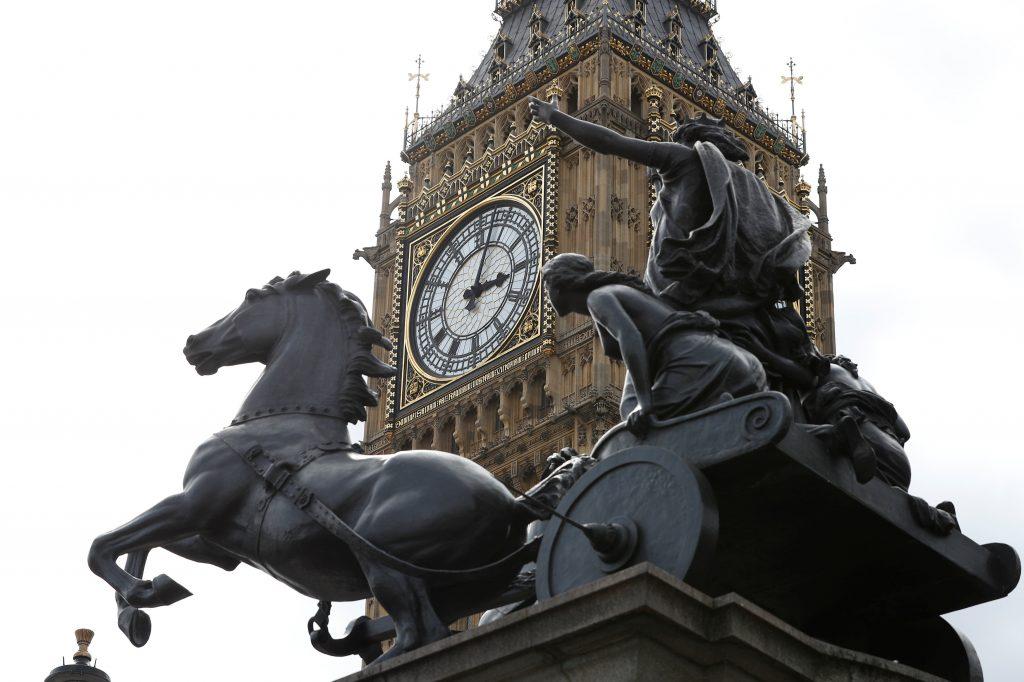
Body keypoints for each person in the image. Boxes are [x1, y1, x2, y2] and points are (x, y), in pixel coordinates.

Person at [528, 96, 829, 400]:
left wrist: (556, 118)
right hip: (727, 295)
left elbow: (610, 142)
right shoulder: (748, 187)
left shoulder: (682, 160)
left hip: (684, 292)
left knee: (633, 399)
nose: (654, 183)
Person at [542, 253, 766, 434]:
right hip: (732, 360)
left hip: (699, 364)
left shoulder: (598, 297)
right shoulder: (611, 296)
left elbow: (630, 337)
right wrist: (634, 402)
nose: (546, 296)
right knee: (628, 414)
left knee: (635, 432)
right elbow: (620, 350)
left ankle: (719, 409)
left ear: (559, 287)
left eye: (546, 288)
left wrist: (645, 402)